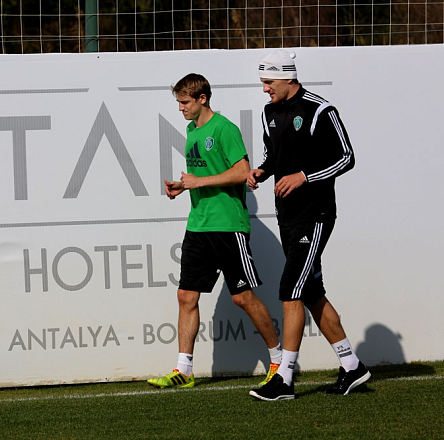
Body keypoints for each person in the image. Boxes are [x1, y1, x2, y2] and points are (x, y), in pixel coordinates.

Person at [247, 50, 370, 401]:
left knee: (291, 290)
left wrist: (303, 176)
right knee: (312, 292)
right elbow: (274, 156)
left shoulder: (320, 110)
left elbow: (346, 157)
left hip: (315, 214)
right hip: (286, 214)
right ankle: (352, 366)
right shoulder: (269, 112)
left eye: (269, 82)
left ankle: (284, 378)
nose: (265, 89)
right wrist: (262, 171)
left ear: (288, 77)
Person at [147, 73, 282, 389]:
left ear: (202, 98)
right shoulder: (191, 131)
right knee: (186, 295)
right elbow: (204, 175)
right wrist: (183, 186)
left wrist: (199, 182)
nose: (180, 108)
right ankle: (184, 370)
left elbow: (242, 172)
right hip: (199, 224)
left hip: (228, 226)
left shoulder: (224, 129)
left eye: (184, 102)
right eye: (178, 102)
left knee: (242, 298)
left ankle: (279, 360)